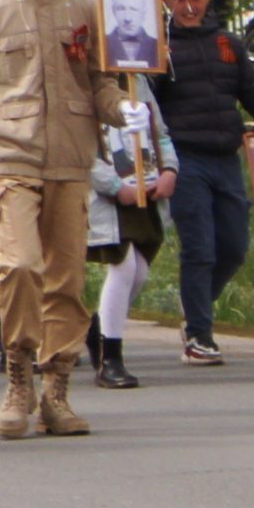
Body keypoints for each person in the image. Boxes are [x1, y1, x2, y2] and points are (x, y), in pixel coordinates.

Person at [0, 0, 133, 441]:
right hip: (9, 155)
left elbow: (100, 83)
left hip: (71, 158)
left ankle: (56, 390)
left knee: (65, 279)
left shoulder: (85, 4)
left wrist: (124, 108)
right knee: (21, 264)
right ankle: (18, 376)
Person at [147, 0, 254, 366]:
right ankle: (199, 334)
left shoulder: (228, 44)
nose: (189, 7)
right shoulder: (158, 48)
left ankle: (196, 306)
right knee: (200, 247)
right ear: (166, 0)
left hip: (226, 157)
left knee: (235, 247)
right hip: (186, 160)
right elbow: (145, 104)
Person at [85, 74, 176, 390]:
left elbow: (159, 133)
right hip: (109, 194)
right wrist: (112, 185)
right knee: (123, 267)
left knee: (138, 273)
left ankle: (100, 328)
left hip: (144, 189)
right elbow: (80, 148)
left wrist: (169, 170)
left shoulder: (137, 80)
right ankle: (110, 358)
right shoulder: (86, 82)